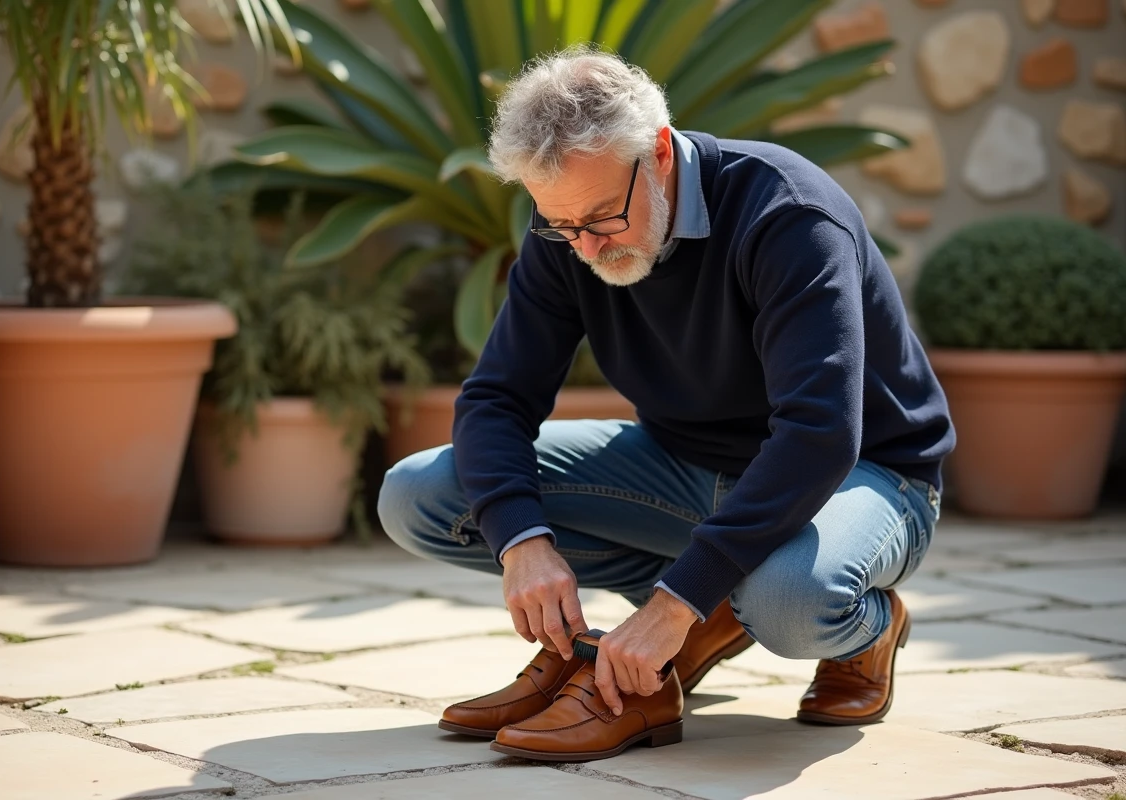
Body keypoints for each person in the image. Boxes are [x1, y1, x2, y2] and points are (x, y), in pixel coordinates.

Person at [377, 46, 954, 763]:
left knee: (789, 601)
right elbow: (498, 395)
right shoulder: (568, 226)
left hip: (865, 474)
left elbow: (820, 435)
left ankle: (865, 628)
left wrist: (674, 599)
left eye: (601, 220)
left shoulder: (789, 214)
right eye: (561, 224)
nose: (582, 245)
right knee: (421, 494)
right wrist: (522, 542)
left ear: (658, 153)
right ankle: (712, 601)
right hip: (686, 466)